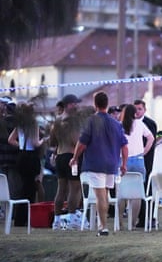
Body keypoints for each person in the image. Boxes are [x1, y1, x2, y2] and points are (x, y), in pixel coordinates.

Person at [69, 91, 128, 236]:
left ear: (95, 104)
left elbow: (82, 143)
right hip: (112, 164)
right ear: (107, 104)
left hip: (96, 163)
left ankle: (103, 227)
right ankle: (103, 224)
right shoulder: (116, 123)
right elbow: (124, 146)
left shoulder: (91, 121)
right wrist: (124, 164)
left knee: (100, 196)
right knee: (105, 194)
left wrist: (75, 157)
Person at [49, 94, 84, 230]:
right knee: (74, 189)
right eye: (75, 103)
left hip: (60, 156)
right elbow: (76, 141)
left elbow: (52, 142)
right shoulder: (72, 122)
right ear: (69, 104)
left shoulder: (57, 121)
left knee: (61, 189)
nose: (77, 106)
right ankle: (72, 218)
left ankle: (56, 221)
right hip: (71, 157)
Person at [8, 103, 45, 226]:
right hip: (31, 158)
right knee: (30, 190)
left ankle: (20, 218)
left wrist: (20, 145)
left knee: (24, 187)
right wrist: (44, 140)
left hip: (21, 157)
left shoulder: (20, 124)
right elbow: (35, 143)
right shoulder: (33, 124)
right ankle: (26, 218)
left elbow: (10, 139)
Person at [118, 104, 154, 229]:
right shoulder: (140, 124)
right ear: (134, 113)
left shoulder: (119, 126)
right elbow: (151, 138)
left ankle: (120, 222)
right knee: (137, 194)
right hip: (139, 160)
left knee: (121, 193)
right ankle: (132, 223)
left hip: (123, 160)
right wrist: (144, 151)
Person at [134, 99, 157, 228]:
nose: (137, 112)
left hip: (146, 161)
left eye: (139, 109)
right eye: (135, 109)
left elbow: (151, 141)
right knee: (136, 190)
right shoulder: (130, 123)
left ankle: (149, 218)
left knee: (147, 190)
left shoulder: (149, 123)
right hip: (134, 161)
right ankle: (140, 218)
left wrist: (142, 154)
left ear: (144, 110)